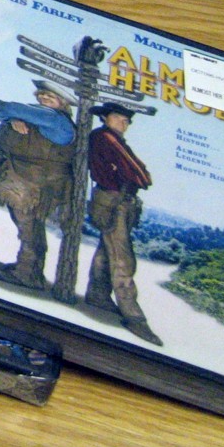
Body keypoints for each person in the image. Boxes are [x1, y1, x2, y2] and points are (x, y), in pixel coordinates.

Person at [0, 79, 77, 291]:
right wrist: (14, 118)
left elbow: (1, 106)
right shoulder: (40, 116)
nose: (44, 98)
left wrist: (13, 114)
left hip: (37, 186)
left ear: (63, 103)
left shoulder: (56, 120)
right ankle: (26, 266)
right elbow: (2, 110)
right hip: (26, 181)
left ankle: (28, 274)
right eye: (41, 94)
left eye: (50, 96)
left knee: (28, 226)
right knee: (26, 225)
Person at [84, 102, 162, 345]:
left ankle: (97, 295)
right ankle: (134, 316)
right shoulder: (105, 138)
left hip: (119, 200)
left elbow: (140, 174)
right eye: (118, 117)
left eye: (126, 120)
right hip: (113, 199)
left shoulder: (114, 139)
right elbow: (136, 172)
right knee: (122, 258)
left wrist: (137, 176)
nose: (123, 123)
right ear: (106, 118)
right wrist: (136, 176)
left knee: (107, 250)